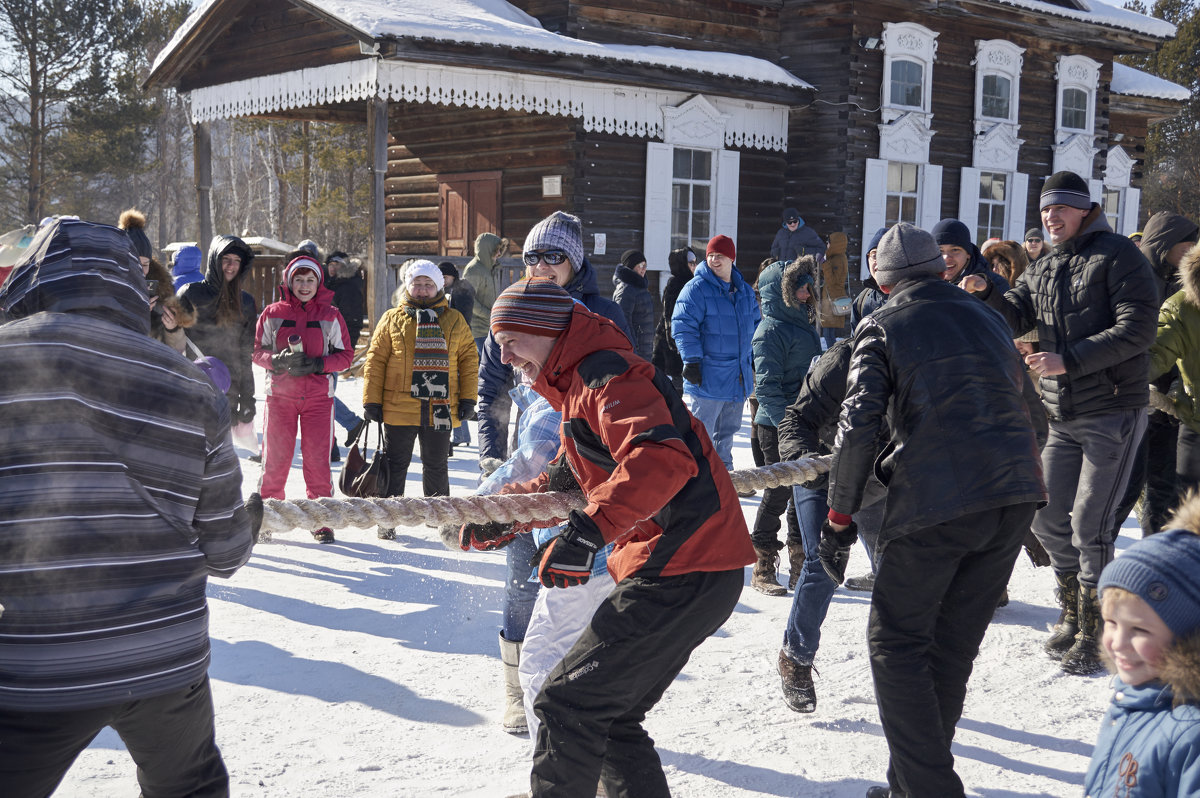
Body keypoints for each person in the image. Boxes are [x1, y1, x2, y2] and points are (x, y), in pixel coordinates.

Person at [0, 217, 254, 797]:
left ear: (29, 281)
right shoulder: (189, 385)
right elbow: (226, 551)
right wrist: (243, 526)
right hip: (163, 658)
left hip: (35, 660)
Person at [477, 276, 754, 798]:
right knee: (609, 716)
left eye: (511, 339)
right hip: (683, 567)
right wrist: (509, 514)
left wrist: (584, 535)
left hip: (686, 564)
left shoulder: (607, 375)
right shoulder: (581, 383)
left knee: (568, 703)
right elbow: (571, 476)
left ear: (544, 329)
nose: (505, 355)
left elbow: (659, 458)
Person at [824, 222, 1045, 798]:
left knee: (896, 645)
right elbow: (1036, 417)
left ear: (881, 277)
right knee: (949, 650)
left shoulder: (881, 324)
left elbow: (855, 430)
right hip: (1014, 496)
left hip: (938, 503)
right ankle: (911, 786)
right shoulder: (989, 318)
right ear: (938, 267)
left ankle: (928, 790)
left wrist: (839, 519)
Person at [962, 170, 1158, 675]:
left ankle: (1097, 631)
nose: (1051, 217)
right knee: (1046, 516)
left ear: (1084, 210)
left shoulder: (1120, 256)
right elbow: (1013, 311)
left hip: (1113, 409)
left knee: (1091, 523)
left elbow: (1138, 329)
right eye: (1046, 210)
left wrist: (1066, 358)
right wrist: (986, 292)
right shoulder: (1046, 265)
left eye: (1061, 209)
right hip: (1062, 413)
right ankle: (1072, 607)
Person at [776, 337, 888, 711]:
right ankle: (796, 658)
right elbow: (795, 420)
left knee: (899, 567)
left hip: (877, 480)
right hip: (821, 473)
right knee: (821, 565)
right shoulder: (842, 359)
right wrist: (803, 460)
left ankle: (907, 668)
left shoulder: (926, 360)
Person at [476, 211, 629, 465]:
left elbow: (628, 390)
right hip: (529, 455)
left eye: (554, 256)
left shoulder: (603, 315)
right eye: (532, 256)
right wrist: (491, 457)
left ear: (574, 262)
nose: (541, 266)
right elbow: (492, 393)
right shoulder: (509, 312)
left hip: (593, 456)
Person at [1084, 516, 1200, 797]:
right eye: (1111, 622)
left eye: (1139, 629)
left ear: (1188, 636)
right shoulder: (1133, 697)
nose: (1118, 643)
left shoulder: (1191, 734)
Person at [363, 259, 479, 539]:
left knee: (437, 464)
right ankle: (388, 521)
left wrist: (467, 398)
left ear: (439, 286)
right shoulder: (392, 318)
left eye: (429, 284)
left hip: (440, 407)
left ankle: (440, 518)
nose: (423, 290)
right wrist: (371, 400)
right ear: (408, 285)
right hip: (398, 405)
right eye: (417, 283)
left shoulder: (454, 319)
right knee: (395, 464)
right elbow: (375, 360)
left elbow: (468, 359)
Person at [250, 252, 354, 543]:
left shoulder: (330, 315)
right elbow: (256, 351)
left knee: (318, 460)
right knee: (276, 460)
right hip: (280, 398)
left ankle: (321, 518)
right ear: (289, 281)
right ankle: (268, 516)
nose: (304, 285)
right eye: (299, 279)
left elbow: (346, 356)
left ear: (318, 282)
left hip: (319, 399)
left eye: (310, 280)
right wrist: (276, 360)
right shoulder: (272, 313)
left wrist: (320, 365)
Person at [1114, 211, 1200, 538]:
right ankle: (1093, 567)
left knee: (1163, 492)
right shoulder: (1130, 281)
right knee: (1121, 491)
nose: (1191, 252)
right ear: (1163, 245)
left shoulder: (1187, 290)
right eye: (1185, 246)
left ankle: (1155, 561)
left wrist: (1177, 389)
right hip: (1132, 403)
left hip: (1170, 409)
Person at [749, 256, 820, 595]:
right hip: (776, 424)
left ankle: (800, 561)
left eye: (808, 285)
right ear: (783, 292)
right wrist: (787, 426)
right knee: (777, 492)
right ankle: (762, 562)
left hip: (802, 422)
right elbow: (766, 389)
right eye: (801, 286)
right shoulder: (770, 331)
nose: (808, 292)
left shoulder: (803, 324)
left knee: (802, 492)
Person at [671, 233, 760, 472]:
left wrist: (752, 361)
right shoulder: (696, 289)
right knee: (702, 434)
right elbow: (682, 325)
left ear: (732, 258)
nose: (714, 260)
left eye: (719, 256)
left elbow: (755, 326)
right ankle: (699, 479)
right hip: (708, 375)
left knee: (728, 433)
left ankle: (726, 477)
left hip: (737, 375)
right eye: (710, 256)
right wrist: (691, 360)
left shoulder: (744, 292)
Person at [179, 235, 260, 434]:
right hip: (192, 391)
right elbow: (171, 344)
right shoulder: (190, 293)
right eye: (226, 259)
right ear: (215, 260)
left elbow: (244, 356)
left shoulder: (246, 302)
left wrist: (247, 399)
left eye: (237, 261)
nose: (231, 266)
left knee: (220, 459)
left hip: (227, 393)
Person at [1148, 244, 1200, 508]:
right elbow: (1158, 352)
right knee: (1187, 511)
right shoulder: (1183, 306)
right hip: (1196, 422)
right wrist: (1126, 377)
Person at [324, 250, 367, 462]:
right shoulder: (332, 284)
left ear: (345, 266)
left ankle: (352, 424)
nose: (333, 267)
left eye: (338, 264)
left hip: (334, 348)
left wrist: (342, 348)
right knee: (323, 393)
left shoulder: (348, 287)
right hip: (326, 345)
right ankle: (332, 445)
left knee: (323, 393)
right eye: (330, 264)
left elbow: (351, 321)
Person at [440, 260, 477, 453]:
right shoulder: (454, 290)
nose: (443, 281)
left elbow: (459, 319)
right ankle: (461, 434)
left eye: (445, 277)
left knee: (454, 390)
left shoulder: (460, 291)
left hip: (457, 343)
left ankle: (457, 434)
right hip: (455, 341)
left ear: (453, 276)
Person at [650, 246, 696, 394]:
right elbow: (670, 319)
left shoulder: (692, 283)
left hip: (680, 345)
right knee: (675, 393)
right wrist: (678, 347)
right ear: (681, 264)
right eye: (690, 262)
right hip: (674, 348)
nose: (694, 265)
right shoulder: (677, 285)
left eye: (695, 261)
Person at [931, 217, 1009, 293]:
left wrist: (984, 293)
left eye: (955, 250)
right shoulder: (925, 284)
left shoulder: (994, 284)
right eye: (940, 251)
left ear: (968, 254)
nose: (946, 257)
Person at [462, 232, 509, 349]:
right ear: (487, 249)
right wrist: (489, 315)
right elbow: (468, 300)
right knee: (482, 365)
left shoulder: (491, 268)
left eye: (500, 250)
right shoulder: (473, 270)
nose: (499, 254)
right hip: (477, 331)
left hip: (491, 328)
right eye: (496, 250)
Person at [611, 248, 654, 361]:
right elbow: (621, 322)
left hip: (644, 348)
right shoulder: (626, 290)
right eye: (640, 265)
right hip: (634, 351)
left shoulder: (640, 286)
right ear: (631, 266)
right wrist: (633, 348)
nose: (644, 268)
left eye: (645, 265)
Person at [850, 227, 888, 332]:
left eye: (884, 255)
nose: (879, 261)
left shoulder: (907, 298)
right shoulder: (861, 302)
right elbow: (855, 341)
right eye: (874, 255)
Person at [817, 231, 849, 346]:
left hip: (833, 300)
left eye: (829, 242)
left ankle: (833, 357)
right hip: (832, 297)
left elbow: (832, 281)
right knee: (829, 333)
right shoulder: (837, 257)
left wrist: (824, 263)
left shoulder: (838, 260)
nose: (827, 245)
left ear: (835, 244)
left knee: (828, 334)